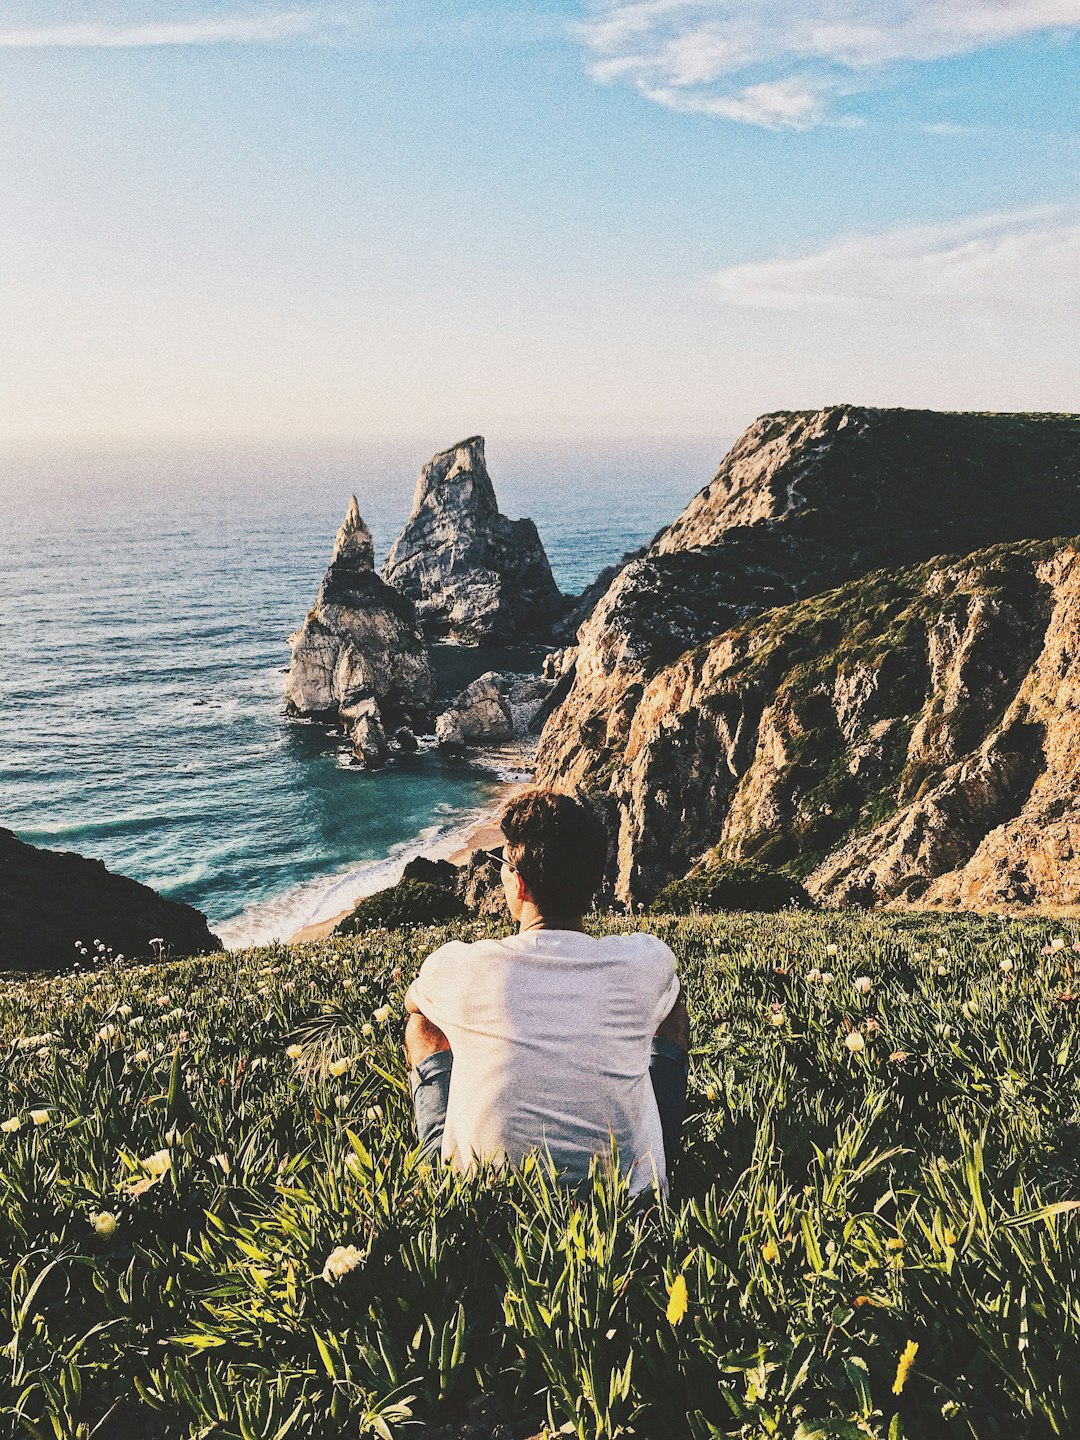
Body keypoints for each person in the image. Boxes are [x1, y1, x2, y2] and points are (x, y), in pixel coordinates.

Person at [403, 788, 689, 1197]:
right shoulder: (644, 961)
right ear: (595, 882)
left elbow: (415, 1005)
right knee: (671, 1010)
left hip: (483, 1199)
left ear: (518, 884)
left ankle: (437, 1158)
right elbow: (670, 1010)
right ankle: (661, 1151)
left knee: (423, 1023)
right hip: (630, 1201)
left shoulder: (462, 966)